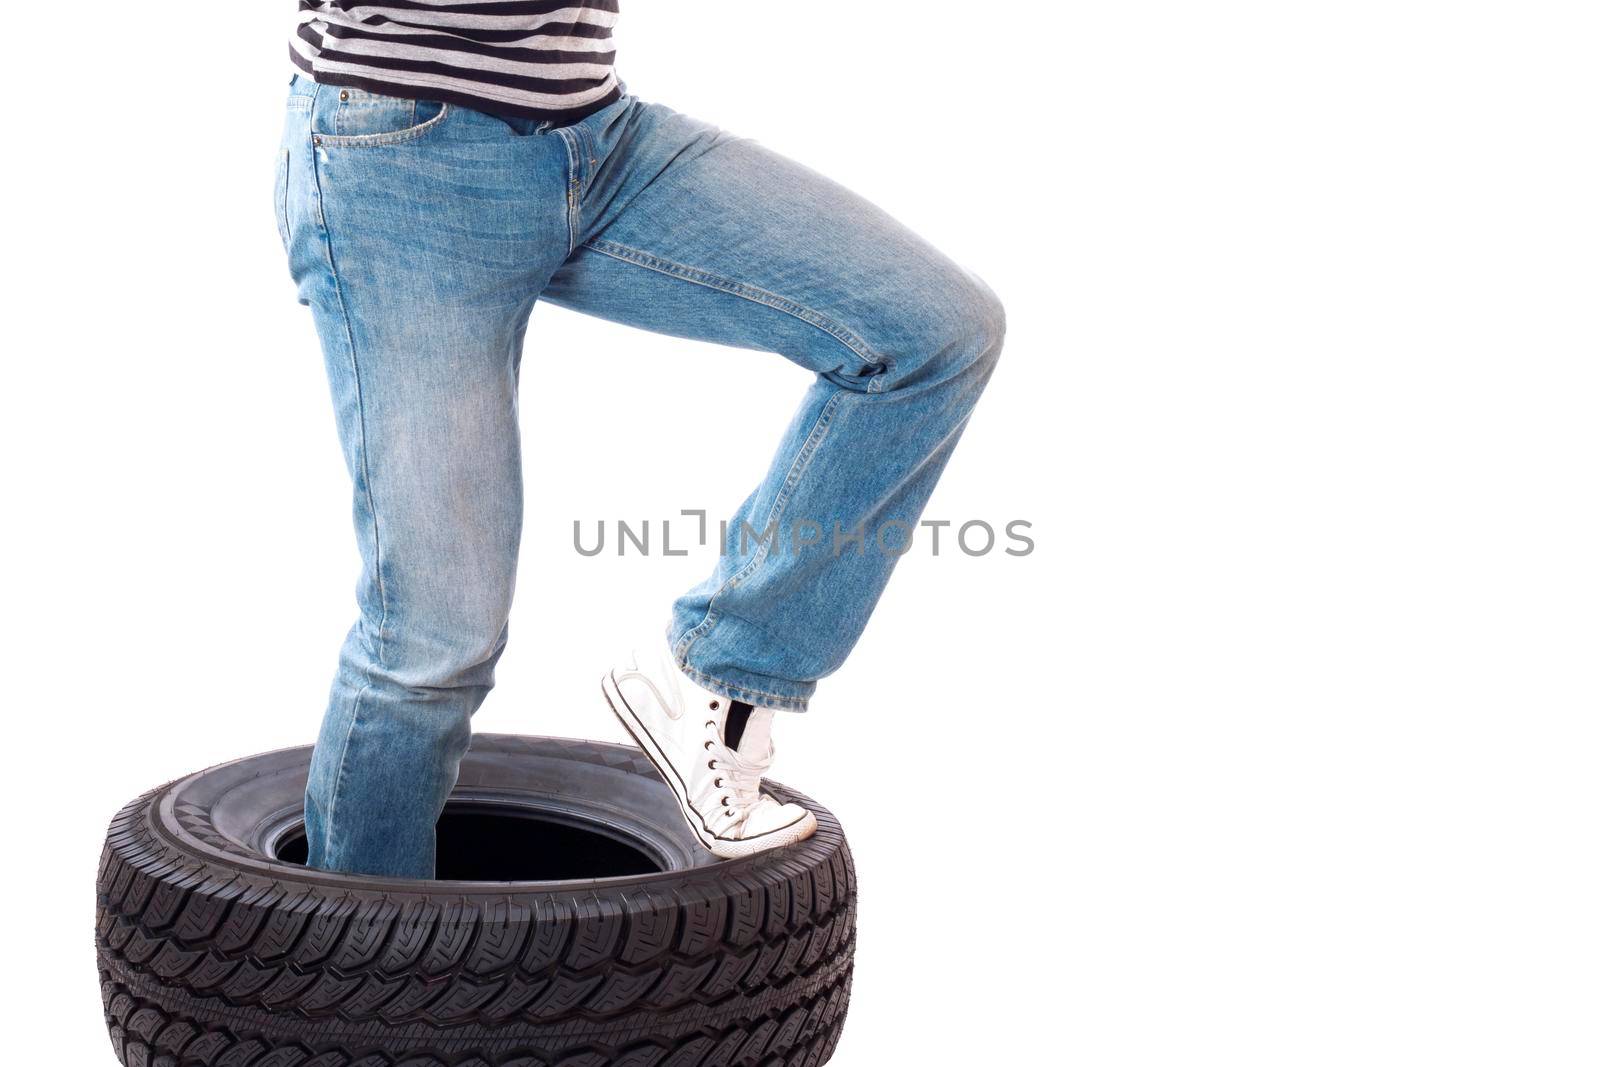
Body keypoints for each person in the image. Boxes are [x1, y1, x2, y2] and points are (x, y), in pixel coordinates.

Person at [279, 0, 1006, 879]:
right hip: (404, 158)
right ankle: (357, 988)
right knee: (435, 640)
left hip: (598, 137)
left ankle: (716, 665)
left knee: (933, 331)